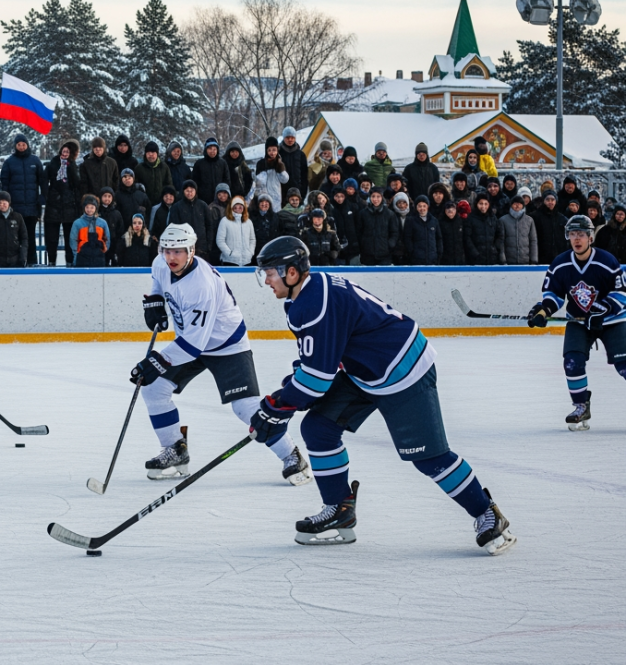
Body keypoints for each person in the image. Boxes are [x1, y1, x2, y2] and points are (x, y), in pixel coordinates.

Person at [251, 236, 515, 554]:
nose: (265, 280)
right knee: (318, 429)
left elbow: (317, 381)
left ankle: (487, 513)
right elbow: (317, 360)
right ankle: (339, 510)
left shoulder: (312, 303)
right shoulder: (306, 295)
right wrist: (283, 400)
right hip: (365, 370)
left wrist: (278, 406)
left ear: (291, 272)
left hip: (403, 369)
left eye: (269, 272)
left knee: (428, 457)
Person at [133, 223, 308, 484]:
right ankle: (175, 450)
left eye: (178, 251)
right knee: (154, 389)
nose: (171, 257)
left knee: (245, 407)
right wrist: (155, 301)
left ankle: (292, 456)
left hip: (227, 344)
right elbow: (158, 280)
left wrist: (156, 362)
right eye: (167, 250)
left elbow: (194, 345)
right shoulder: (161, 263)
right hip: (191, 339)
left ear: (192, 250)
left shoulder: (201, 284)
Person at [525, 214, 626, 431]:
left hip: (613, 321)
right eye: (573, 234)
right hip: (579, 321)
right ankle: (581, 405)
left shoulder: (607, 261)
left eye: (581, 234)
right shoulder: (560, 264)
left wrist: (603, 309)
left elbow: (621, 293)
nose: (577, 239)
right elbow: (554, 293)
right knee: (572, 361)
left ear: (590, 237)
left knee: (624, 365)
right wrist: (544, 310)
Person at [42, 141, 80, 266]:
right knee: (52, 238)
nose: (65, 154)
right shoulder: (52, 164)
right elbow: (44, 180)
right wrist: (48, 195)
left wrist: (70, 166)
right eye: (63, 151)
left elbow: (76, 184)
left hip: (69, 206)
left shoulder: (73, 165)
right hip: (53, 205)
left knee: (70, 237)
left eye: (67, 152)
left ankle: (70, 261)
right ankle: (51, 261)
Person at [0, 134, 44, 237]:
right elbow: (4, 183)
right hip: (15, 208)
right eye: (19, 144)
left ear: (27, 145)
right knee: (16, 238)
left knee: (31, 238)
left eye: (23, 144)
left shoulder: (35, 161)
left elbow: (42, 181)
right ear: (15, 146)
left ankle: (31, 254)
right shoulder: (9, 162)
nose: (21, 147)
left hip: (32, 208)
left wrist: (42, 198)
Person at [356, 190, 398, 266]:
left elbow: (394, 232)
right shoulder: (363, 213)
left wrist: (390, 244)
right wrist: (363, 244)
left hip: (385, 254)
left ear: (382, 198)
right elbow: (359, 231)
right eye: (373, 196)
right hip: (367, 254)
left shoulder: (390, 214)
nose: (375, 199)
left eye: (378, 196)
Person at [0, 191, 28, 268]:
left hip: (15, 260)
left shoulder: (17, 217)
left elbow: (24, 238)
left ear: (9, 203)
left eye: (4, 202)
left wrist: (23, 257)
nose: (2, 205)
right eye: (0, 203)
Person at [69, 195, 110, 268]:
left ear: (96, 208)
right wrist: (76, 254)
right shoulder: (77, 223)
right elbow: (73, 240)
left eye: (92, 207)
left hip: (99, 258)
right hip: (82, 258)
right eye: (87, 207)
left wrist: (103, 251)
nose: (89, 210)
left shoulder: (102, 223)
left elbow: (107, 239)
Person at [401, 196, 442, 266]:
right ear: (416, 207)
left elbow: (438, 238)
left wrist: (439, 253)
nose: (422, 208)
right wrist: (412, 252)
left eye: (424, 206)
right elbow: (407, 238)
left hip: (432, 259)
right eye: (419, 206)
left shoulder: (434, 220)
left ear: (427, 207)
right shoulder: (410, 220)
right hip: (417, 259)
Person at [215, 197, 255, 266]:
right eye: (235, 207)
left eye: (240, 207)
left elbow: (252, 239)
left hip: (246, 260)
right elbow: (220, 240)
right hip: (230, 261)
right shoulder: (225, 221)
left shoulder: (248, 222)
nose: (237, 209)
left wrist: (250, 252)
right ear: (231, 208)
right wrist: (229, 253)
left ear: (244, 208)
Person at [134, 141, 173, 212]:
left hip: (161, 203)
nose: (151, 155)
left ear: (157, 154)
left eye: (153, 153)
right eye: (148, 153)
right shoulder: (139, 168)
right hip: (144, 204)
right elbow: (135, 186)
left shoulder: (164, 167)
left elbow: (169, 184)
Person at [80, 137, 119, 204]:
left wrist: (113, 196)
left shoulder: (112, 162)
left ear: (104, 148)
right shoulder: (86, 164)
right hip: (92, 200)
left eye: (100, 147)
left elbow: (116, 180)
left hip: (108, 199)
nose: (98, 150)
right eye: (95, 148)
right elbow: (84, 183)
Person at [499, 197, 538, 265]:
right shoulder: (503, 220)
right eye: (515, 204)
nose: (517, 205)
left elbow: (533, 241)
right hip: (509, 261)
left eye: (519, 203)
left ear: (523, 205)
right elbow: (501, 241)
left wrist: (534, 260)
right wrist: (503, 260)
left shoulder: (529, 220)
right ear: (511, 205)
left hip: (525, 261)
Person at [464, 196, 502, 265]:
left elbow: (499, 235)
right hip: (475, 258)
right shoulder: (470, 218)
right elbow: (467, 238)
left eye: (486, 204)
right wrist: (474, 253)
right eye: (481, 204)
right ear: (476, 204)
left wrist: (495, 249)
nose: (483, 206)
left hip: (491, 257)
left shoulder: (493, 218)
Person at [254, 138, 288, 211]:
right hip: (264, 195)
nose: (272, 153)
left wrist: (280, 169)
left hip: (276, 196)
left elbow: (285, 180)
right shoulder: (261, 163)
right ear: (266, 151)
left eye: (274, 150)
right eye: (269, 150)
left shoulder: (279, 163)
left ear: (277, 150)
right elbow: (258, 181)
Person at [278, 127, 308, 198]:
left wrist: (303, 193)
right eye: (288, 137)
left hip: (297, 191)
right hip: (281, 191)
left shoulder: (301, 155)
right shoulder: (278, 153)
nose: (290, 140)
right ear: (284, 138)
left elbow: (304, 175)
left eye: (292, 137)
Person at [438, 200, 466, 266]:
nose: (450, 211)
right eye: (448, 209)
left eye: (453, 209)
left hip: (460, 257)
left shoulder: (461, 221)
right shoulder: (440, 223)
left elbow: (465, 239)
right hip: (445, 258)